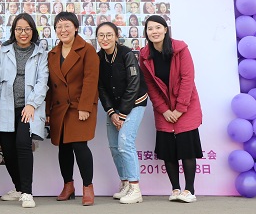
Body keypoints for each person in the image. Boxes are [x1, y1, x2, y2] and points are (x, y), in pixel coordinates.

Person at [139, 15, 203, 203]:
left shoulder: (180, 49)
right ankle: (175, 189)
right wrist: (164, 110)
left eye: (158, 27)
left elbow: (187, 79)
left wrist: (180, 109)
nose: (154, 32)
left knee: (187, 148)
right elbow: (150, 85)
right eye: (150, 29)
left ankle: (189, 190)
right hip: (164, 109)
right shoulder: (144, 55)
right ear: (146, 33)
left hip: (186, 105)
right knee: (168, 150)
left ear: (165, 29)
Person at [0, 13, 48, 208]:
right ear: (13, 31)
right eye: (19, 29)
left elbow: (42, 81)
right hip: (6, 107)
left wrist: (32, 104)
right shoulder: (4, 51)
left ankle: (27, 192)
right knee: (7, 150)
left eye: (27, 29)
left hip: (28, 108)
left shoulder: (40, 53)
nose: (23, 33)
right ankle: (18, 188)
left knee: (23, 144)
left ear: (33, 31)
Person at [46, 11, 99, 206]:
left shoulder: (87, 50)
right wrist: (47, 111)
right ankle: (68, 186)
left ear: (76, 28)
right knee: (64, 148)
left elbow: (91, 80)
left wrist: (85, 107)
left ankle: (88, 187)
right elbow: (50, 86)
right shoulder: (53, 54)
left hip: (79, 107)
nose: (63, 30)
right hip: (59, 108)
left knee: (79, 146)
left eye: (67, 25)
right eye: (59, 27)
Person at [96, 22, 148, 204]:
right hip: (114, 108)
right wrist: (111, 112)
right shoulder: (98, 58)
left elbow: (134, 84)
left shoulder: (127, 54)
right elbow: (101, 88)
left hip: (135, 104)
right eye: (101, 35)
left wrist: (123, 114)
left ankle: (135, 188)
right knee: (114, 146)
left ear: (116, 37)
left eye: (109, 35)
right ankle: (125, 183)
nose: (105, 39)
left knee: (125, 143)